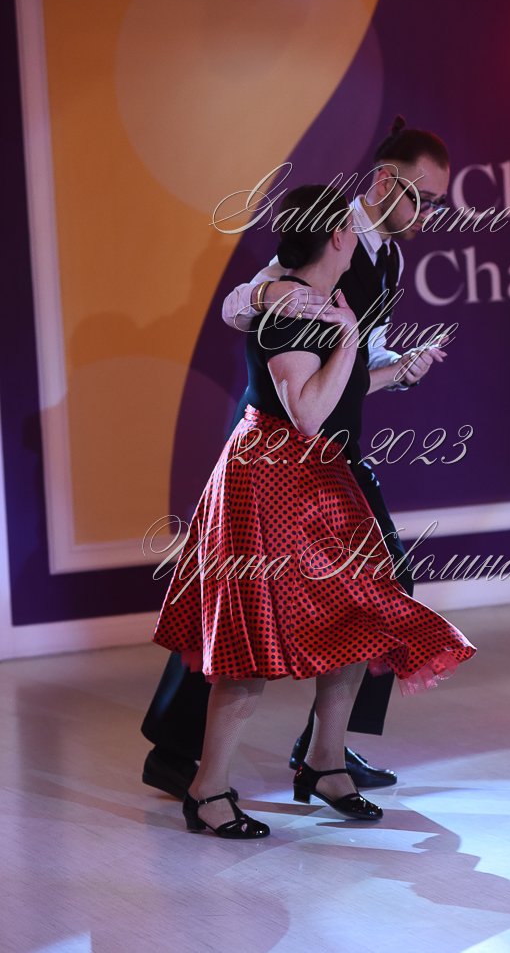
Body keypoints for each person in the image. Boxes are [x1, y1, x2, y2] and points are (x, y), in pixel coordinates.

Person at [141, 116, 452, 799]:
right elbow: (239, 306)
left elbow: (357, 358)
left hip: (334, 445)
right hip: (283, 444)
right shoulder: (325, 232)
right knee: (239, 597)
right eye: (422, 198)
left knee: (378, 584)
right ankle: (180, 748)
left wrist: (399, 368)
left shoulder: (390, 258)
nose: (429, 214)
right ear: (384, 183)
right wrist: (273, 294)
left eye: (436, 203)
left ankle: (324, 751)